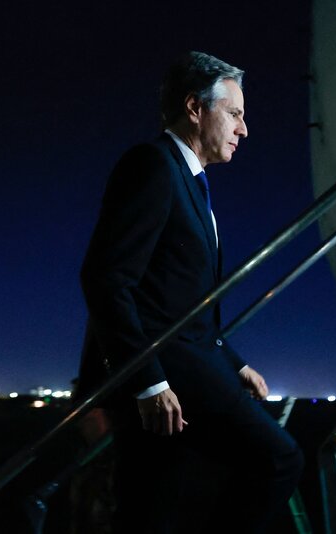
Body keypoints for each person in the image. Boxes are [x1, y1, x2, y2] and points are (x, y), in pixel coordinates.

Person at [78, 51, 303, 533]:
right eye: (235, 114)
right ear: (195, 108)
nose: (244, 129)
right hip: (170, 377)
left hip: (183, 373)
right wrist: (148, 383)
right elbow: (106, 278)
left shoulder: (190, 182)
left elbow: (179, 302)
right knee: (278, 459)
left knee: (153, 508)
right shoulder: (153, 166)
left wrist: (234, 362)